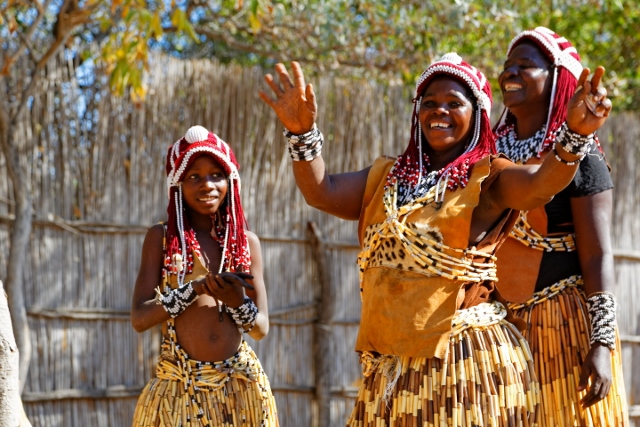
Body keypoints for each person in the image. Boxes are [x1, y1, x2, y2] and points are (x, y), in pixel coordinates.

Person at [260, 52, 610, 426]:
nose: (439, 111)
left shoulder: (488, 178)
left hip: (463, 368)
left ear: (477, 115)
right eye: (429, 103)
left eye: (453, 103)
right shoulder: (387, 178)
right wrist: (301, 134)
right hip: (392, 368)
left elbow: (540, 186)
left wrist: (575, 136)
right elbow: (322, 192)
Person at [492, 27, 628, 425]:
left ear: (556, 80)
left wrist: (601, 342)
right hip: (497, 330)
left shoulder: (581, 156)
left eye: (525, 65)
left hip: (562, 329)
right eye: (507, 65)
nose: (510, 73)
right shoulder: (485, 155)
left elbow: (598, 253)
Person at [130, 126, 279, 426]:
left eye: (216, 175)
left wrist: (237, 303)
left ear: (230, 180)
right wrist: (193, 290)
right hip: (179, 394)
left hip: (241, 390)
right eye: (193, 176)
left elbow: (261, 328)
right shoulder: (162, 239)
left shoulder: (246, 243)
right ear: (178, 184)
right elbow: (139, 319)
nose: (207, 185)